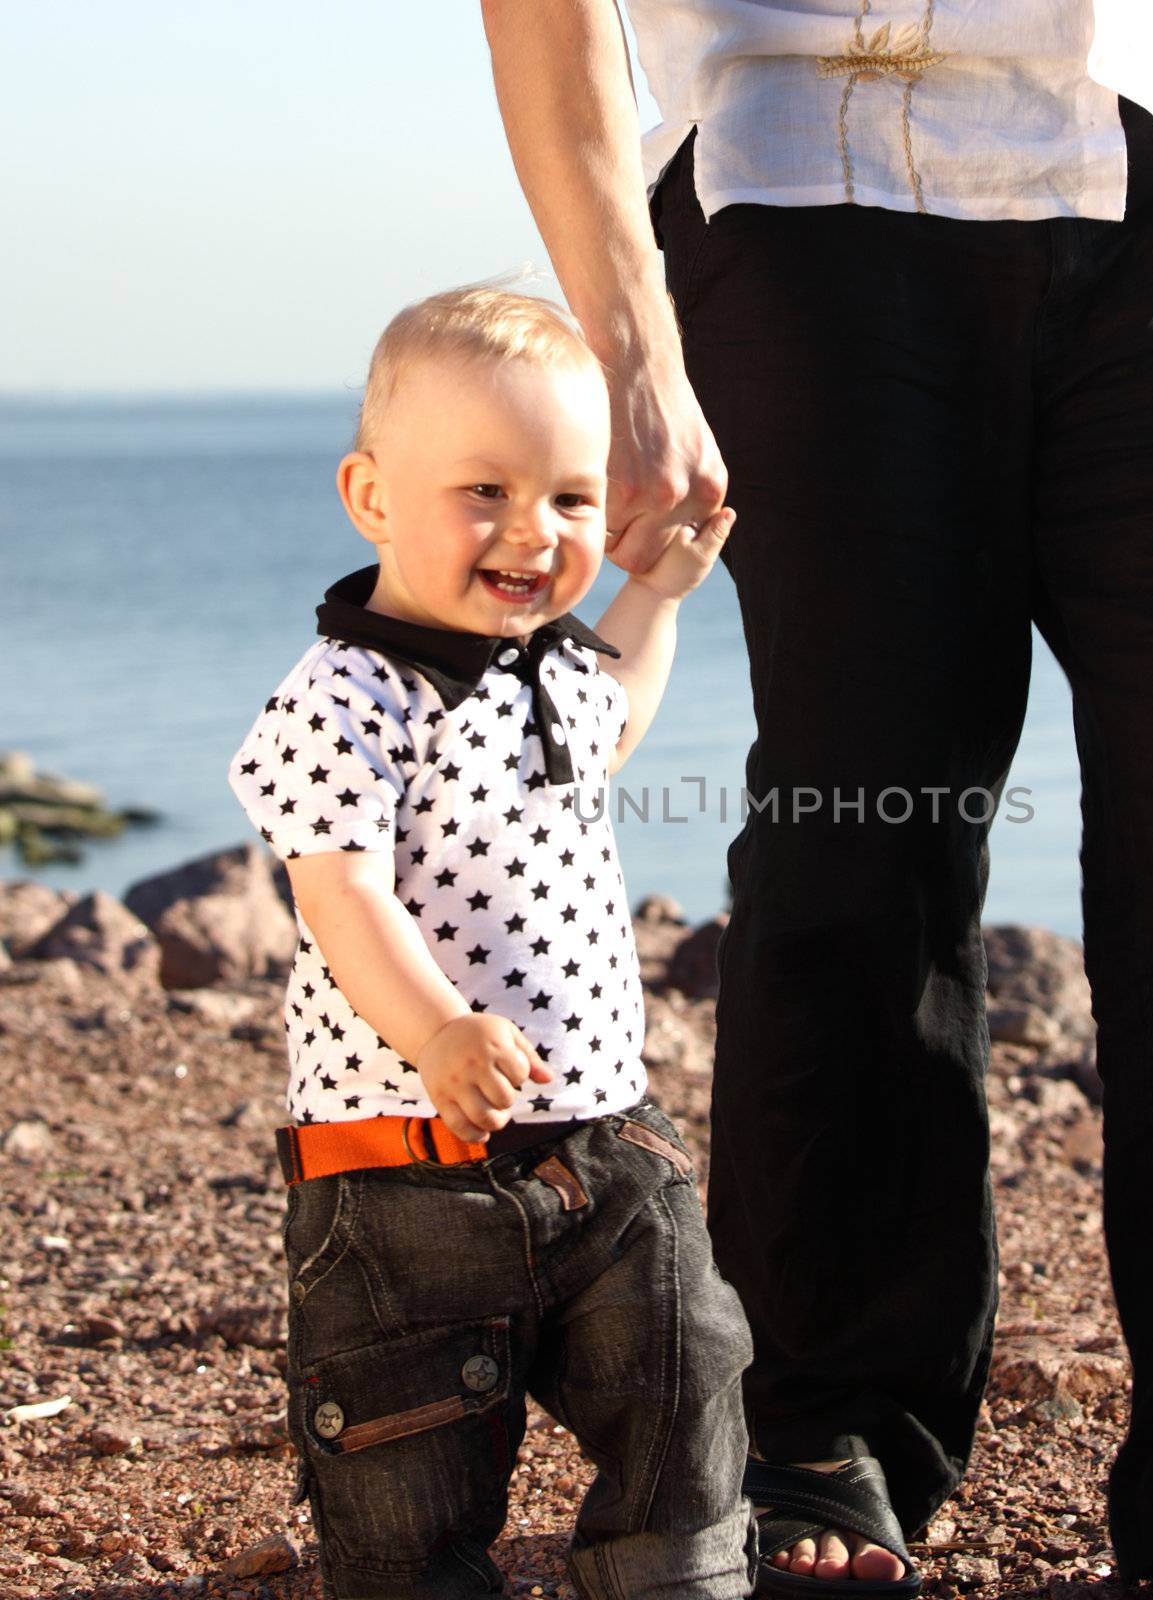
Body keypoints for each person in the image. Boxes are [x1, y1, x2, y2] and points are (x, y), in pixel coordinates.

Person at [480, 1, 1153, 1594]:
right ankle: (830, 1430)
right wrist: (627, 338)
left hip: (1151, 174)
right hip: (792, 190)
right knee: (864, 815)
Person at [227, 287, 754, 1600]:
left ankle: (670, 1575)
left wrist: (659, 593)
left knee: (690, 1366)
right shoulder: (341, 698)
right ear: (372, 498)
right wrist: (437, 1031)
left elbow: (616, 714)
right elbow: (339, 888)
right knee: (406, 1478)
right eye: (487, 492)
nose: (535, 532)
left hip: (603, 1150)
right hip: (404, 1180)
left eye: (572, 500)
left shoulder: (550, 666)